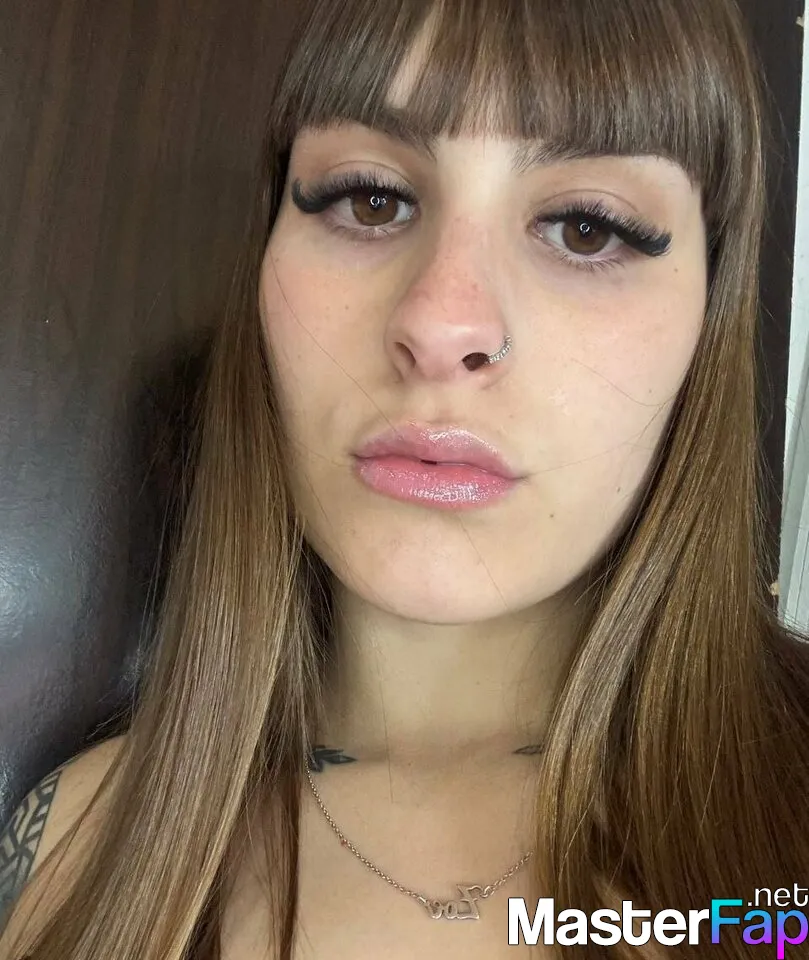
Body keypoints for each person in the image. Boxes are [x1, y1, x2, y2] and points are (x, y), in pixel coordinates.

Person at [2, 0, 808, 957]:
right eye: (371, 199)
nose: (440, 323)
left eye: (587, 228)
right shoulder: (72, 845)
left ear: (708, 321)